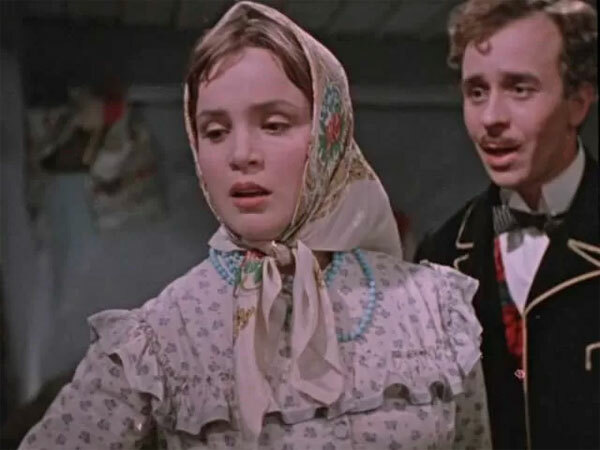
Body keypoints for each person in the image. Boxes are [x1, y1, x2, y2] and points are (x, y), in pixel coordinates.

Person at [19, 2, 491, 449]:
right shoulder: (160, 339)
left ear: (329, 134)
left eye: (274, 124)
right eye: (216, 131)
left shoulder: (433, 309)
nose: (241, 154)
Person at [415, 1, 598, 449]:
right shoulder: (439, 257)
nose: (491, 118)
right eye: (476, 92)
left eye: (520, 88)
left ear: (578, 101)